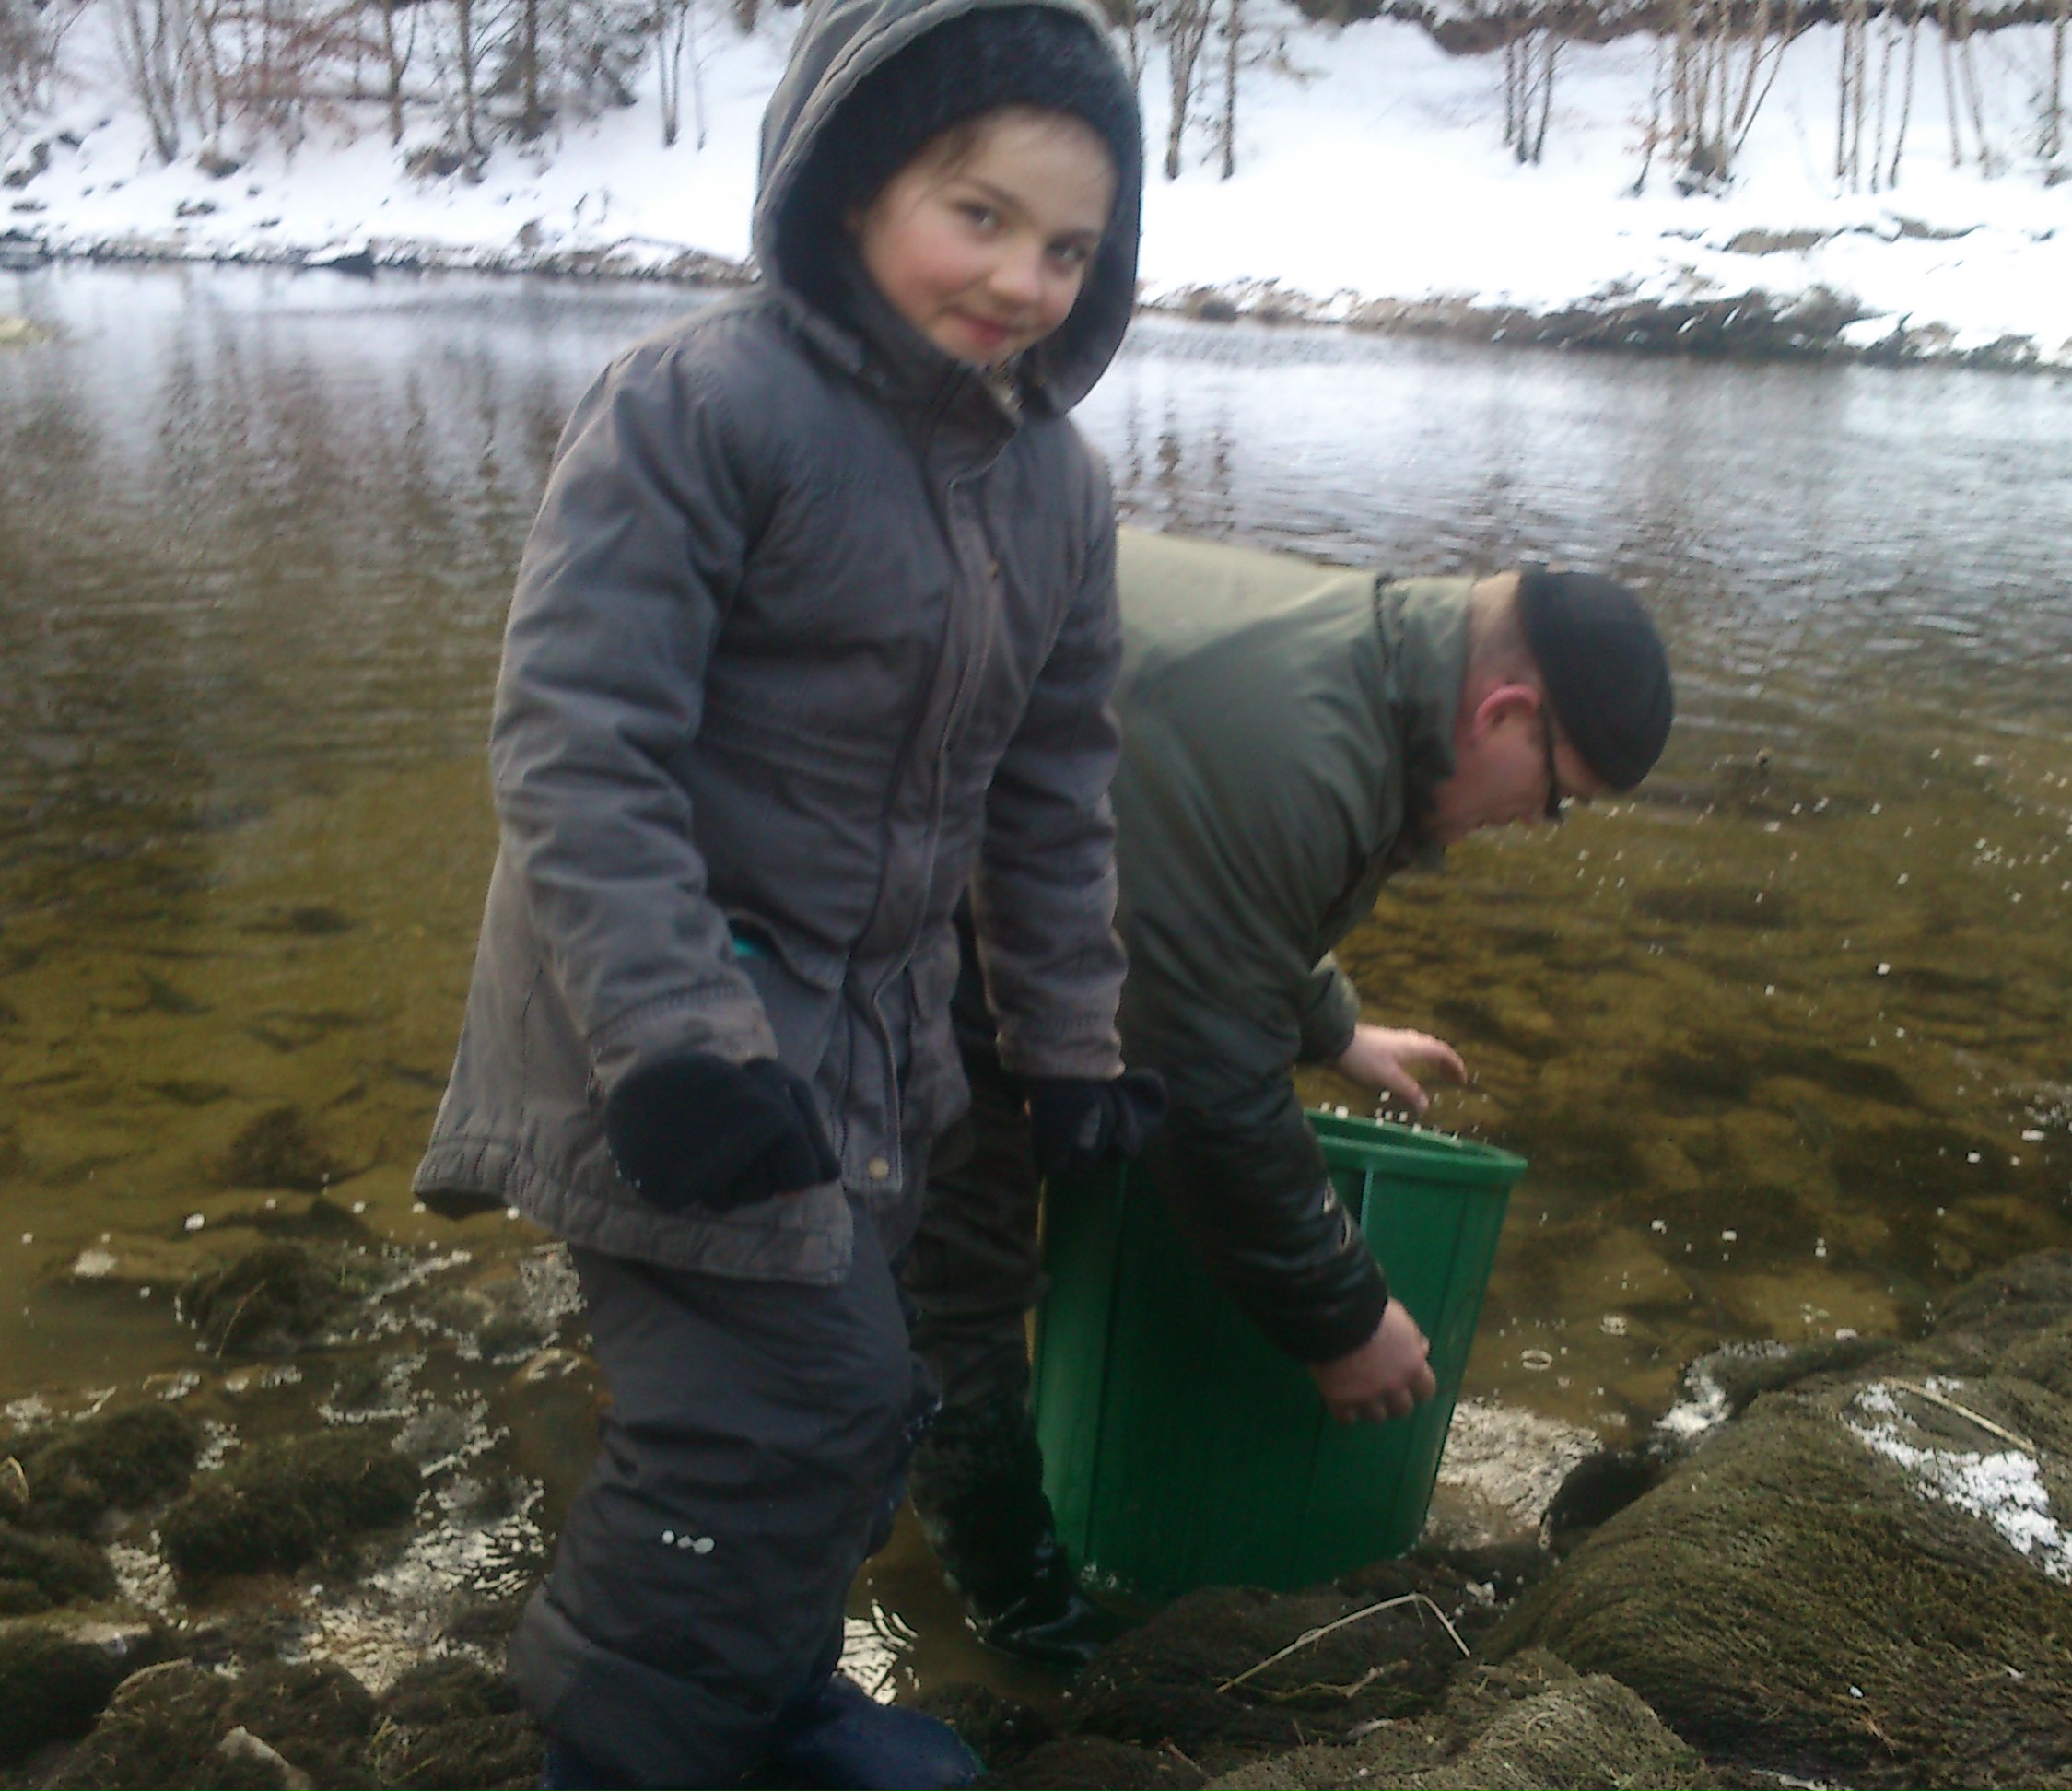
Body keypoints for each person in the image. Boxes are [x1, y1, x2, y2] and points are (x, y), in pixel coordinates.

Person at [410, 5, 1155, 1788]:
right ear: (849, 187)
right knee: (779, 1406)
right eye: (979, 215)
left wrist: (1070, 1044)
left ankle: (772, 1691)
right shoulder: (698, 403)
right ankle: (624, 1759)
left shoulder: (1057, 490)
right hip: (657, 1042)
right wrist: (674, 1038)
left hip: (874, 1061)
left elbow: (1055, 795)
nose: (1027, 279)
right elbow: (579, 743)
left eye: (1070, 247)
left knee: (862, 1384)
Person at [903, 528, 1675, 1669]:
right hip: (865, 873)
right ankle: (1022, 1626)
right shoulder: (1301, 751)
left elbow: (1201, 883)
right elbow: (1201, 1083)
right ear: (1505, 713)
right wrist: (1342, 1316)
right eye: (1557, 797)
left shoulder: (1369, 667)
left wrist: (1332, 1027)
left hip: (996, 852)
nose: (1534, 824)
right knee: (955, 1269)